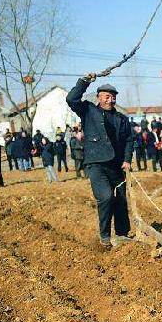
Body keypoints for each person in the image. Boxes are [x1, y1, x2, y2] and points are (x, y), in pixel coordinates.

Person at [66, 74, 134, 249]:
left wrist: (127, 160)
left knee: (120, 200)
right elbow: (71, 99)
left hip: (117, 166)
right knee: (105, 197)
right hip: (96, 164)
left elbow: (129, 140)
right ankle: (105, 236)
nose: (110, 100)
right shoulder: (88, 111)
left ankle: (122, 234)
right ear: (98, 97)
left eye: (113, 97)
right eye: (106, 97)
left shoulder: (122, 119)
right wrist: (84, 82)